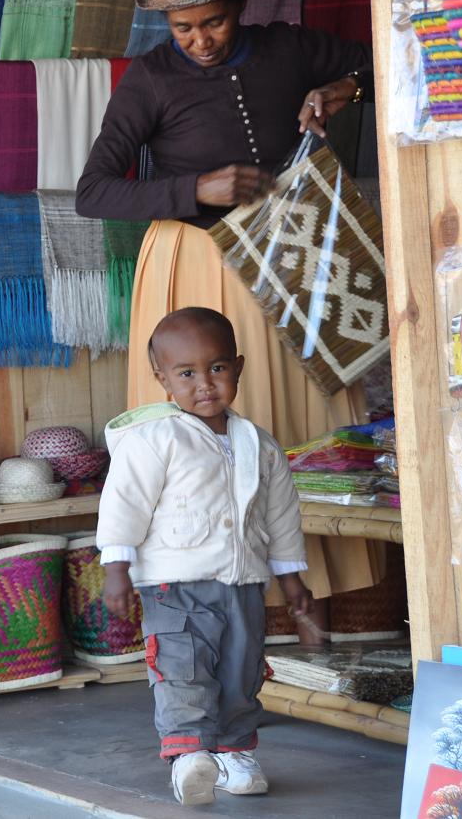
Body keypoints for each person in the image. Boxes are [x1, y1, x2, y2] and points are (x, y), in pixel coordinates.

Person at [76, 0, 382, 640]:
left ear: (240, 3)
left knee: (304, 412)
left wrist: (342, 90)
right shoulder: (150, 78)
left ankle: (318, 597)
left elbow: (378, 63)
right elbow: (93, 192)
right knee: (211, 427)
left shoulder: (291, 47)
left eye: (211, 22)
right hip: (196, 267)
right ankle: (215, 609)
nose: (199, 40)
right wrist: (194, 189)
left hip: (293, 253)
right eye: (183, 28)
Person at [98, 308, 307, 806]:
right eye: (186, 373)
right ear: (162, 379)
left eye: (216, 368)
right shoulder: (154, 439)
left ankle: (234, 752)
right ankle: (190, 756)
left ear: (238, 366)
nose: (205, 384)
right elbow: (124, 502)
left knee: (242, 669)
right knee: (182, 666)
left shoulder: (260, 444)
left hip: (244, 583)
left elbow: (280, 515)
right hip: (174, 586)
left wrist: (293, 578)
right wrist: (116, 568)